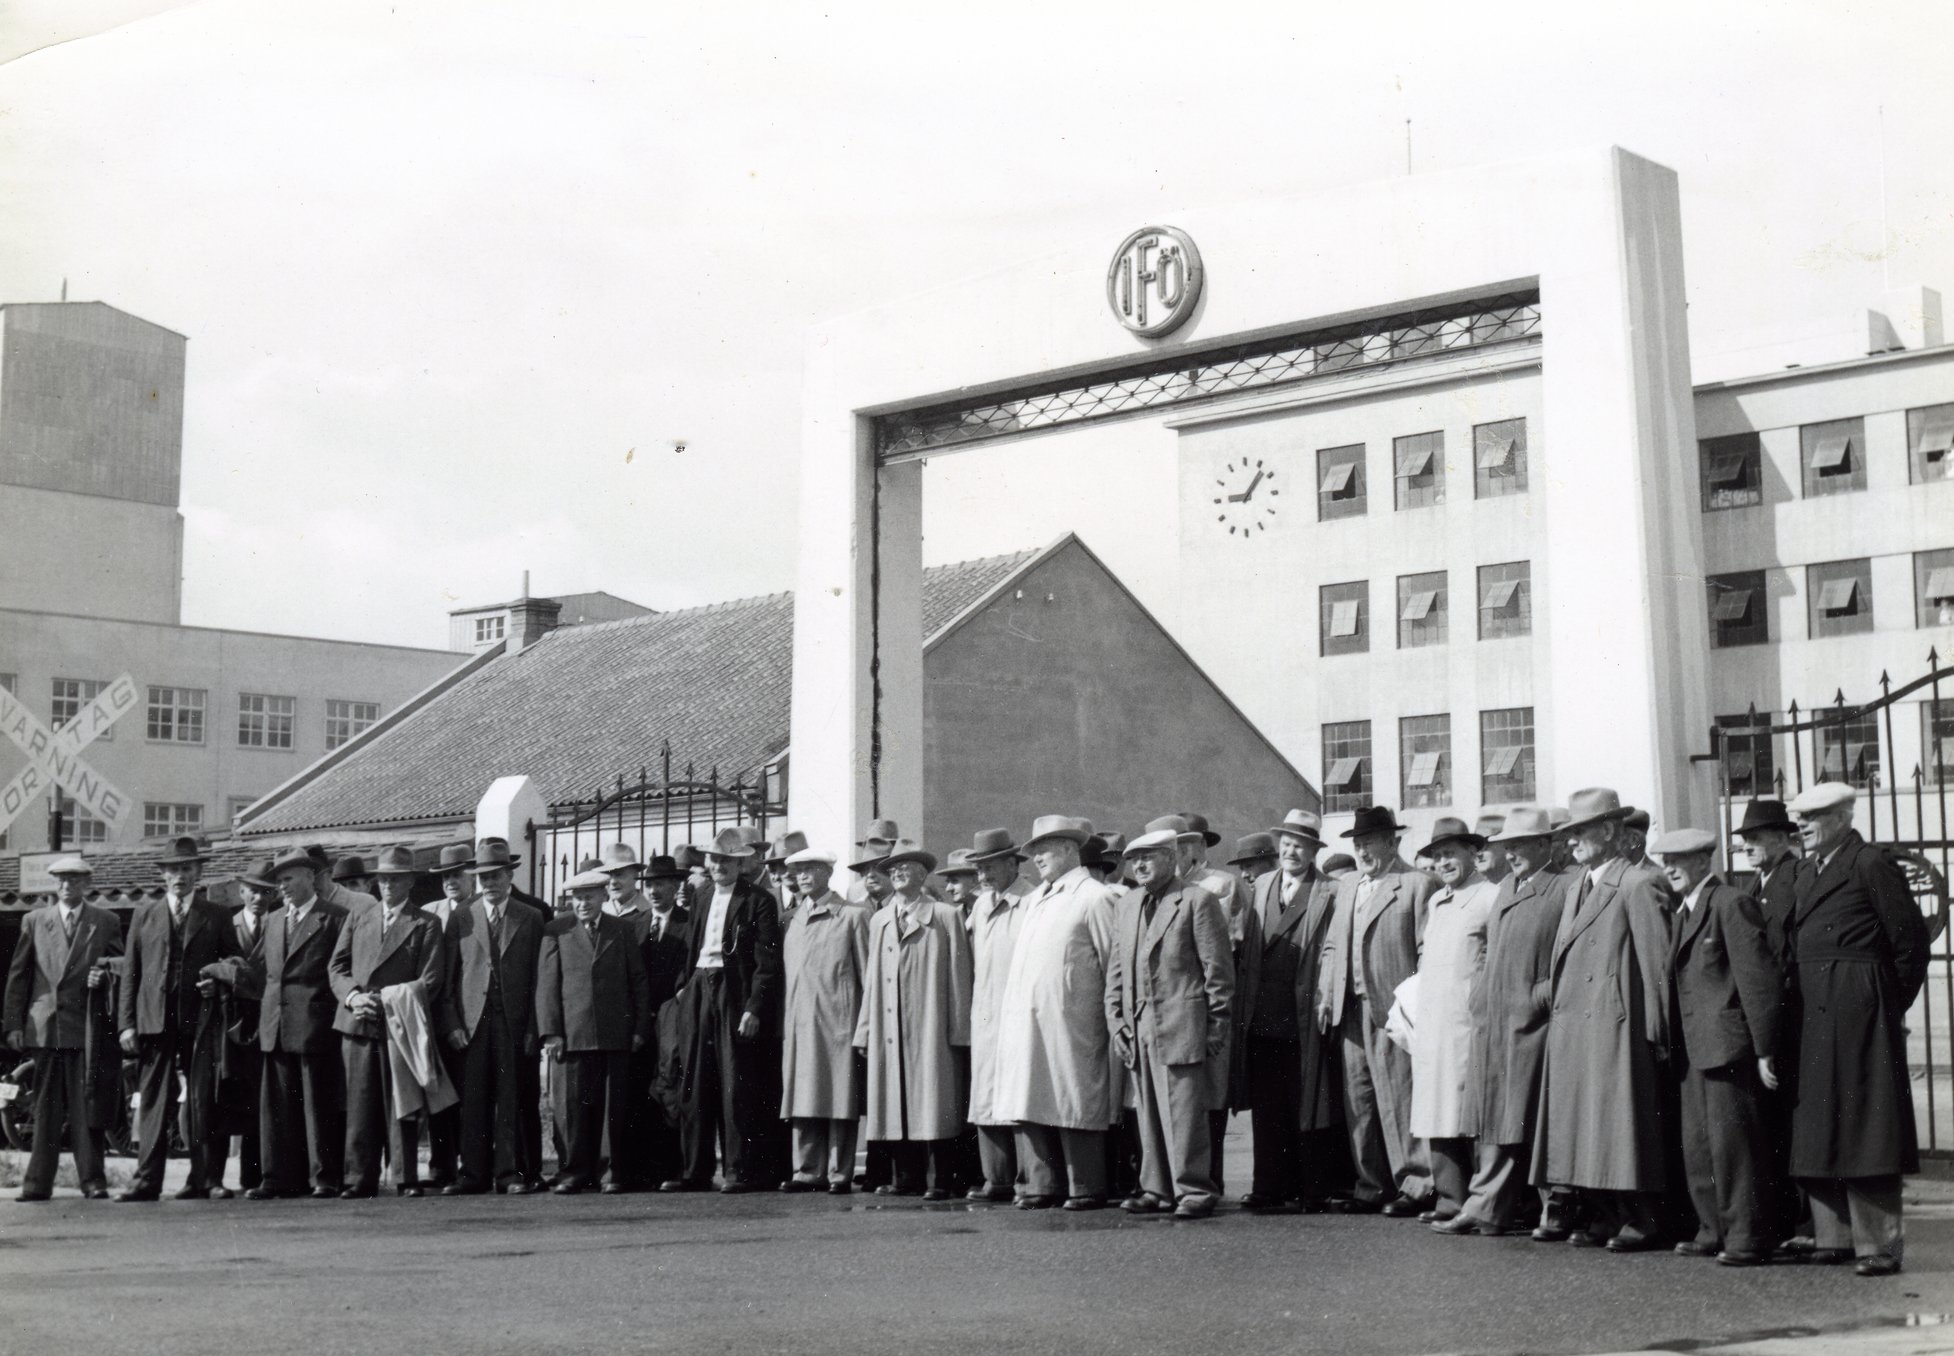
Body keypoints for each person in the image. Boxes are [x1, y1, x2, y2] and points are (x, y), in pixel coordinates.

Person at [1785, 782, 1927, 1277]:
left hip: (1859, 1008)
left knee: (1869, 1123)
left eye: (1814, 816)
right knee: (1821, 1122)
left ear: (1844, 817)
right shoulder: (1807, 870)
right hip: (1815, 1009)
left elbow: (1910, 943)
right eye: (1798, 817)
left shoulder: (1869, 864)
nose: (1801, 825)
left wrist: (1884, 1005)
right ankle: (1835, 1236)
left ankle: (1879, 1245)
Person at [1532, 787, 1674, 1252]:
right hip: (1577, 1026)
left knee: (1620, 1125)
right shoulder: (1579, 885)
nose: (1571, 842)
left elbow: (1656, 968)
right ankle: (1605, 1213)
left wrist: (1658, 1032)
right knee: (1589, 1125)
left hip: (1617, 1024)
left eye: (1581, 832)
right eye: (1568, 833)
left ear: (1610, 831)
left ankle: (1642, 1217)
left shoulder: (1637, 883)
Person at [1653, 828, 1781, 1267]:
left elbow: (1756, 980)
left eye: (1680, 859)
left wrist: (1765, 1047)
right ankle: (1713, 1229)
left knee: (1735, 1149)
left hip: (1727, 1047)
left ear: (1704, 859)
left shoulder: (1729, 903)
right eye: (1665, 858)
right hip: (1693, 1048)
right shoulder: (1683, 911)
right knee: (1700, 1146)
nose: (1669, 867)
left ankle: (1746, 1236)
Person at [1440, 807, 1570, 1238]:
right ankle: (1486, 1208)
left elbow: (1567, 957)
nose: (1509, 854)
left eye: (1518, 845)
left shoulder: (1564, 887)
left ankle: (1555, 1211)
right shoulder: (1506, 887)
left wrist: (1539, 996)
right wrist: (1480, 996)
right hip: (1496, 1021)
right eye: (1505, 847)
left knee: (1537, 1119)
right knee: (1498, 1117)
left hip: (1534, 1024)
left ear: (1544, 845)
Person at [1105, 829, 1233, 1219]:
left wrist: (1217, 1025)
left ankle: (1194, 1190)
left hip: (1183, 1021)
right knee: (1147, 1112)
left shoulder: (1197, 901)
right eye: (1134, 859)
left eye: (1149, 857)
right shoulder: (1128, 905)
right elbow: (1115, 968)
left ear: (1172, 857)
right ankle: (1156, 1189)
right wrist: (1116, 1021)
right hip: (1138, 1023)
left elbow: (1219, 971)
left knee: (1183, 1113)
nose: (1140, 865)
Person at [994, 814, 1118, 1211]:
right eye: (1033, 851)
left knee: (1072, 1096)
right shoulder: (1036, 901)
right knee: (1031, 1094)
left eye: (1044, 849)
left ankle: (1084, 1185)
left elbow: (1112, 963)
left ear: (1069, 848)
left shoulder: (1095, 897)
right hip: (1030, 1019)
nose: (1037, 858)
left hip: (1074, 1019)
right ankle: (1041, 1184)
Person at [1316, 805, 1434, 1216]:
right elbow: (1333, 945)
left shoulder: (1417, 884)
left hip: (1392, 1007)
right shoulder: (1348, 885)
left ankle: (1416, 1183)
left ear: (1393, 842)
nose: (1363, 851)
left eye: (1371, 842)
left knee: (1400, 1096)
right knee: (1359, 1100)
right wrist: (1326, 994)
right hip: (1349, 1009)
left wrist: (1416, 1006)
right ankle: (1371, 1185)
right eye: (1358, 843)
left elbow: (1425, 951)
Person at [115, 836, 239, 1202]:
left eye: (186, 869)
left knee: (203, 1098)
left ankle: (205, 1180)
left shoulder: (215, 915)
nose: (179, 876)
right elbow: (131, 973)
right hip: (154, 1019)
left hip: (200, 1022)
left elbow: (235, 962)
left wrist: (215, 978)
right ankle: (146, 1181)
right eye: (173, 870)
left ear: (198, 873)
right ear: (163, 875)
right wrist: (126, 1023)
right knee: (153, 1100)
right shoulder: (145, 914)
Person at [667, 826, 784, 1193]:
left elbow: (766, 962)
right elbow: (692, 946)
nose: (720, 866)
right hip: (701, 985)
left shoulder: (758, 900)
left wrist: (753, 1007)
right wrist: (685, 987)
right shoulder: (701, 896)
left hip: (734, 992)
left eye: (728, 860)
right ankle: (695, 1170)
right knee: (696, 1080)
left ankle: (738, 1169)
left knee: (735, 1081)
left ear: (741, 863)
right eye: (715, 859)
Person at [857, 842, 974, 1200]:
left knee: (935, 1098)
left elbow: (959, 974)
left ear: (923, 874)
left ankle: (943, 1178)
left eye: (906, 866)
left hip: (931, 1022)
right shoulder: (879, 920)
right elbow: (872, 979)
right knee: (895, 1099)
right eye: (892, 869)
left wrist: (960, 1030)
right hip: (889, 1024)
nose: (898, 873)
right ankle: (905, 1176)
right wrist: (864, 1029)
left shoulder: (944, 915)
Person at [330, 845, 448, 1198]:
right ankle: (358, 1178)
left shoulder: (426, 923)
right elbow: (337, 967)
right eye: (382, 879)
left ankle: (404, 1175)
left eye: (395, 879)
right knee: (360, 1102)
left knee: (403, 1101)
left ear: (410, 881)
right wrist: (354, 997)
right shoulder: (359, 917)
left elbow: (431, 979)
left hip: (399, 1023)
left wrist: (385, 1000)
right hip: (357, 1022)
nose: (388, 886)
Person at [3, 856, 122, 1202]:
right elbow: (19, 975)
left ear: (87, 884)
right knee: (45, 1106)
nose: (67, 886)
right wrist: (13, 1024)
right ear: (54, 884)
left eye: (74, 880)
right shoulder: (35, 920)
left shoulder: (106, 920)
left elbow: (119, 963)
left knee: (87, 1103)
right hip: (47, 1025)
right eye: (61, 880)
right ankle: (37, 1183)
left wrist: (104, 974)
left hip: (87, 1025)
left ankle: (93, 1180)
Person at [1239, 811, 1340, 1212]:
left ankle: (1309, 1188)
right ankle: (1268, 1185)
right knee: (1267, 1104)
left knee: (1307, 1100)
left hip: (1302, 1012)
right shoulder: (1263, 884)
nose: (1290, 850)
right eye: (1285, 842)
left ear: (1314, 850)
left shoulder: (1329, 890)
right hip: (1262, 1012)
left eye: (1300, 844)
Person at [439, 839, 547, 1195]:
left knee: (512, 1095)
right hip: (472, 1021)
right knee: (474, 1097)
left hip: (514, 1020)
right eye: (483, 876)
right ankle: (472, 1173)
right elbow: (449, 977)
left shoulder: (529, 917)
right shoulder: (462, 916)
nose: (490, 882)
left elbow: (538, 978)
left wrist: (535, 1027)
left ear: (510, 874)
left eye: (497, 875)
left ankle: (510, 1172)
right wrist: (452, 1023)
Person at [1407, 817, 1498, 1225]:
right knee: (1435, 1110)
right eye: (1437, 855)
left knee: (1468, 1112)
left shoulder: (1490, 897)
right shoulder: (1436, 901)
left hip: (1469, 1021)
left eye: (1450, 854)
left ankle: (1479, 1203)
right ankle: (1449, 1198)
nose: (1443, 862)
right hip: (1433, 1020)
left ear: (1472, 854)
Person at [538, 869, 652, 1194]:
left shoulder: (622, 930)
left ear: (604, 896)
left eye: (589, 896)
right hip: (571, 1035)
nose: (583, 903)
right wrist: (551, 1032)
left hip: (614, 1032)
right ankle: (574, 1171)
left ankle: (610, 1172)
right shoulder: (556, 930)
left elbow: (638, 981)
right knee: (571, 1107)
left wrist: (640, 1027)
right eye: (577, 897)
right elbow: (547, 985)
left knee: (611, 1107)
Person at [249, 850, 351, 1199]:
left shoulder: (335, 918)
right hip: (275, 1023)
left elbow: (341, 970)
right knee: (276, 1105)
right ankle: (277, 1177)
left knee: (317, 1103)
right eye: (279, 881)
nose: (283, 887)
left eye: (289, 878)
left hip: (314, 1024)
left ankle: (324, 1177)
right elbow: (263, 971)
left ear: (310, 876)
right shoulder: (274, 919)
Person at [1733, 797, 1805, 1245]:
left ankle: (1800, 1221)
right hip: (1769, 1017)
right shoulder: (1758, 882)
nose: (1748, 846)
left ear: (1782, 838)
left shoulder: (1794, 879)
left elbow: (1786, 955)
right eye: (1745, 839)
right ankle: (1783, 1218)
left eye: (1757, 838)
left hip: (1791, 1016)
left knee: (1791, 1120)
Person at [778, 848, 870, 1194]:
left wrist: (864, 1026)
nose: (802, 876)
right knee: (803, 1096)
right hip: (800, 1022)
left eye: (810, 869)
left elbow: (867, 976)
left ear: (827, 872)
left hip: (838, 1022)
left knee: (838, 1097)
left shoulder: (851, 916)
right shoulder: (792, 919)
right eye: (798, 870)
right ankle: (806, 1169)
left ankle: (837, 1171)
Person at [965, 828, 1029, 1202]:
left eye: (990, 867)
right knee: (986, 1096)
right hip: (986, 1011)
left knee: (1018, 1096)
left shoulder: (1031, 901)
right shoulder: (981, 905)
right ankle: (997, 1177)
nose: (984, 876)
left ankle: (1025, 1178)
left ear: (1011, 863)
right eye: (979, 869)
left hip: (1016, 1010)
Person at [420, 841, 476, 1189]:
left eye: (458, 874)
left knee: (469, 1093)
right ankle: (441, 1165)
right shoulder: (431, 912)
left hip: (467, 1014)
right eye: (446, 876)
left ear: (472, 876)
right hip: (431, 1016)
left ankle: (469, 1162)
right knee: (438, 1094)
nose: (452, 881)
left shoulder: (478, 910)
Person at [766, 831, 809, 925]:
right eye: (783, 864)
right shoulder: (764, 899)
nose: (789, 872)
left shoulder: (815, 899)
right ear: (774, 868)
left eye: (795, 864)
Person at [1473, 813, 1510, 885]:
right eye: (1476, 846)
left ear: (1506, 844)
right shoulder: (1472, 891)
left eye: (1485, 844)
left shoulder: (1520, 887)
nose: (1479, 854)